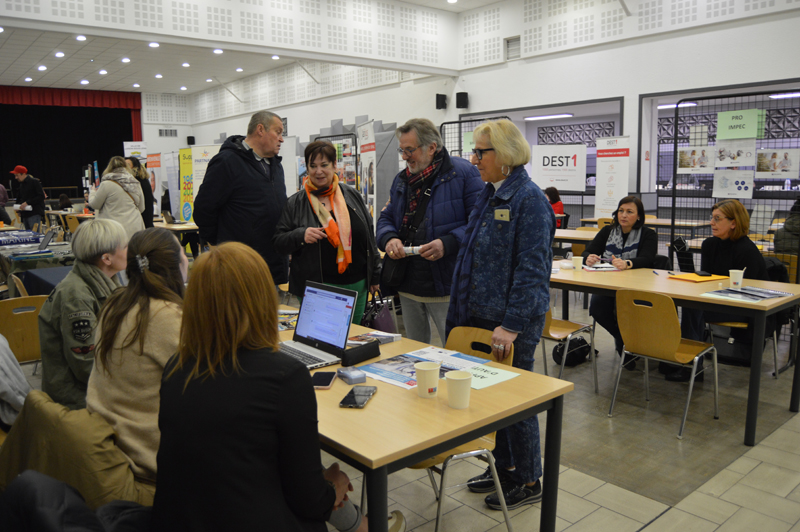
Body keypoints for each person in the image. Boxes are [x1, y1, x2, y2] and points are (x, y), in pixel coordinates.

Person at [150, 242, 404, 532]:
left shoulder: (177, 367)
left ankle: (362, 526)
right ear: (262, 300)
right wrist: (332, 486)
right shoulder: (284, 377)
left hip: (187, 517)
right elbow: (310, 501)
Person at [447, 120, 555, 511]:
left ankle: (529, 479)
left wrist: (510, 326)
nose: (474, 159)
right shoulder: (491, 194)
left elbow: (533, 270)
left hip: (511, 323)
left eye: (481, 152)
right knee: (493, 399)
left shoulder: (529, 200)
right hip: (483, 314)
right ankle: (505, 467)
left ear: (505, 155)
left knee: (515, 400)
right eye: (474, 151)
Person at [85, 228, 187, 484]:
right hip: (146, 462)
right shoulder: (168, 316)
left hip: (106, 444)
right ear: (177, 266)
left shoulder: (115, 304)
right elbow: (211, 385)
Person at [376, 118, 482, 346]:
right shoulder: (401, 180)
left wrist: (448, 243)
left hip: (447, 285)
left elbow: (480, 223)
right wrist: (389, 238)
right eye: (402, 150)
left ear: (432, 147)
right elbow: (386, 217)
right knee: (414, 351)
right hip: (408, 284)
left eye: (410, 150)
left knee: (455, 350)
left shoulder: (464, 174)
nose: (405, 157)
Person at [273, 141, 381, 322]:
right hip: (317, 289)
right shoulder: (295, 203)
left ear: (334, 165)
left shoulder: (352, 195)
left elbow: (369, 238)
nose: (318, 171)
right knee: (322, 336)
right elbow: (278, 242)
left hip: (358, 285)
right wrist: (301, 235)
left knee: (353, 335)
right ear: (307, 168)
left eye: (324, 165)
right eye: (313, 166)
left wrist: (375, 276)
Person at [38, 219, 128, 410]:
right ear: (107, 259)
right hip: (77, 398)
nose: (130, 251)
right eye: (125, 246)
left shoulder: (107, 280)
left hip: (95, 385)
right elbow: (85, 364)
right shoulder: (76, 297)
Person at [677, 199, 769, 381]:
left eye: (717, 219)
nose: (712, 223)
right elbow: (707, 279)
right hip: (716, 300)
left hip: (744, 306)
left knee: (693, 308)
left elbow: (750, 292)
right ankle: (685, 359)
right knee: (687, 305)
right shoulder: (709, 245)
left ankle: (692, 366)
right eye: (712, 218)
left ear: (734, 223)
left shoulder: (747, 250)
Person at [194, 110, 289, 284]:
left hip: (273, 261)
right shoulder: (227, 162)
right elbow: (203, 209)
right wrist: (220, 245)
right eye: (278, 132)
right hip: (240, 265)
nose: (281, 139)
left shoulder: (276, 165)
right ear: (260, 129)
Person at [583, 196, 658, 370]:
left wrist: (628, 263)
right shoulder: (607, 231)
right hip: (609, 283)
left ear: (639, 216)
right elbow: (589, 251)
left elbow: (648, 258)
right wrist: (589, 258)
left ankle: (627, 346)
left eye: (629, 212)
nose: (623, 215)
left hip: (637, 285)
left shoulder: (648, 234)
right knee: (597, 308)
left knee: (630, 312)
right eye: (621, 211)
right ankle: (624, 341)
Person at [89, 156, 145, 240]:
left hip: (113, 230)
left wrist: (92, 192)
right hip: (134, 228)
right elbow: (141, 208)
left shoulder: (106, 184)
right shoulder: (135, 183)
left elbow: (95, 205)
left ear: (109, 167)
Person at [10, 165, 45, 230]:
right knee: (28, 233)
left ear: (23, 174)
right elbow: (21, 198)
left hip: (34, 212)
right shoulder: (21, 184)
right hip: (25, 213)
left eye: (17, 175)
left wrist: (27, 202)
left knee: (34, 233)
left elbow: (41, 196)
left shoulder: (34, 182)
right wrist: (19, 209)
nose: (16, 178)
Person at [125, 156, 155, 229]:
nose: (125, 167)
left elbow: (143, 206)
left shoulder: (137, 182)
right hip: (144, 221)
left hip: (142, 221)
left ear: (135, 168)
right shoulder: (143, 180)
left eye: (128, 165)